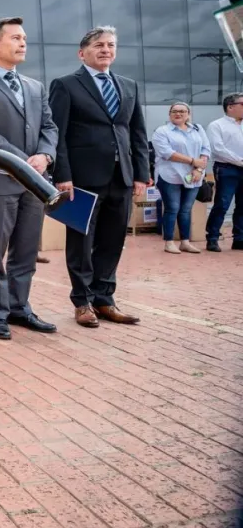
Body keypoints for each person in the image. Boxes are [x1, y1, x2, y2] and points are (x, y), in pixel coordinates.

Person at [50, 26, 149, 328]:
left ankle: (104, 299)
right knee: (80, 241)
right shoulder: (66, 85)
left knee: (112, 240)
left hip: (121, 176)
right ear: (83, 53)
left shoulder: (128, 85)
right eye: (98, 45)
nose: (106, 49)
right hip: (81, 178)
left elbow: (137, 133)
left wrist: (142, 174)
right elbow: (58, 133)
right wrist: (62, 174)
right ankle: (82, 302)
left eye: (110, 45)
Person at [0, 17, 59, 340]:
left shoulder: (35, 87)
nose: (22, 43)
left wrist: (45, 156)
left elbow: (49, 127)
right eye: (14, 38)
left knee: (25, 251)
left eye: (24, 38)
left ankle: (18, 308)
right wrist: (25, 162)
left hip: (35, 183)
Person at [152, 102, 211, 254]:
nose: (178, 114)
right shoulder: (162, 131)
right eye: (174, 111)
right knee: (172, 209)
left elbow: (206, 149)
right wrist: (192, 161)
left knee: (186, 210)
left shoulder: (197, 129)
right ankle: (169, 242)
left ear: (188, 114)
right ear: (169, 114)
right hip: (170, 175)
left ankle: (185, 242)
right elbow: (167, 153)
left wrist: (199, 168)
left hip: (194, 176)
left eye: (182, 111)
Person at [205, 92, 243, 252]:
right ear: (230, 107)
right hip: (227, 168)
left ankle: (239, 239)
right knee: (222, 204)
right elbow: (218, 149)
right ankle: (212, 238)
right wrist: (240, 162)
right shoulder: (217, 125)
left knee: (242, 206)